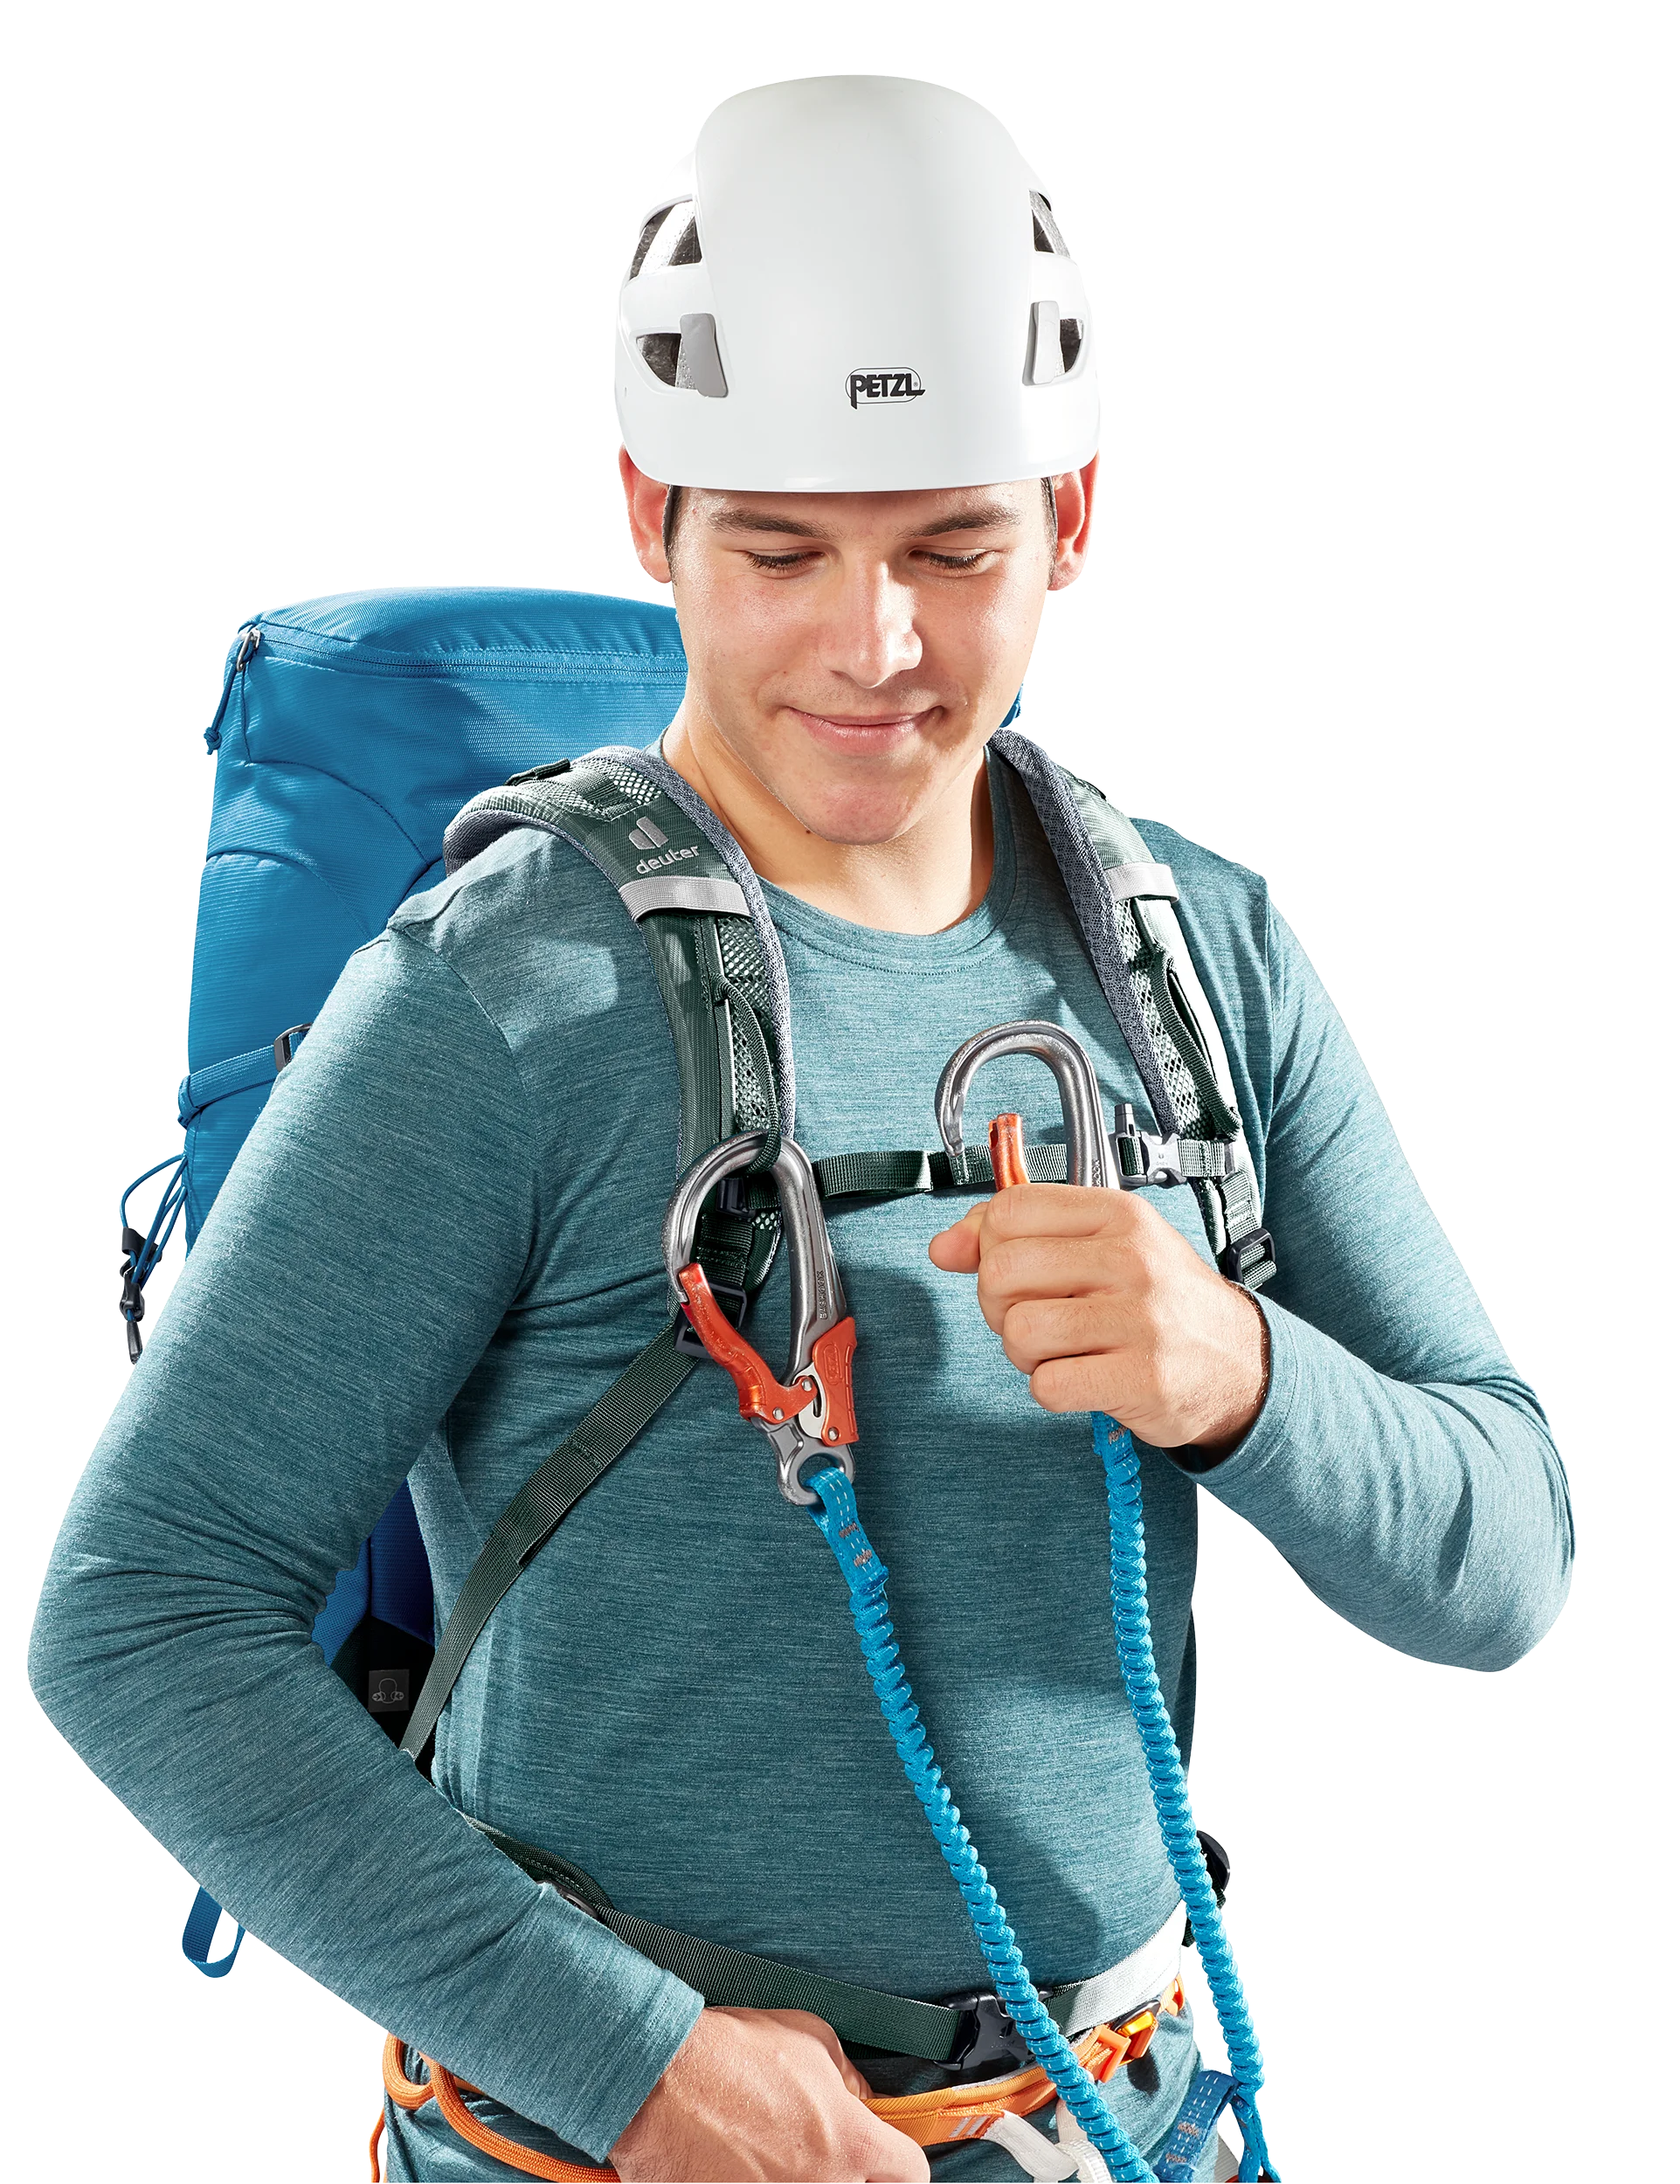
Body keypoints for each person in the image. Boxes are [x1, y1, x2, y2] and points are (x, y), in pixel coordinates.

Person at [28, 72, 1574, 2184]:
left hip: (1120, 2115)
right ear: (648, 511)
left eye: (953, 547)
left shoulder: (1201, 956)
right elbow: (139, 1612)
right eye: (780, 549)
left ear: (1074, 514)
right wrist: (638, 2066)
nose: (876, 644)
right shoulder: (504, 993)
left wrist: (1239, 1376)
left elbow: (1507, 1557)